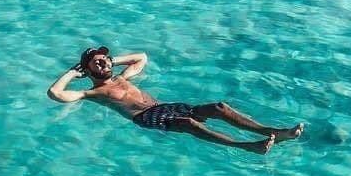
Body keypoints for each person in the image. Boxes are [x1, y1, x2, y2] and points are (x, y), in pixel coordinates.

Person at [47, 46, 303, 154]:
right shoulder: (93, 93)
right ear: (88, 69)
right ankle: (248, 146)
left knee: (218, 107)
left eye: (106, 58)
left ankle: (274, 132)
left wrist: (113, 60)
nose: (104, 61)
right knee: (188, 124)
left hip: (163, 107)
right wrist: (73, 72)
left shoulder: (125, 77)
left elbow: (142, 57)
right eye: (98, 61)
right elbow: (55, 94)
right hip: (144, 117)